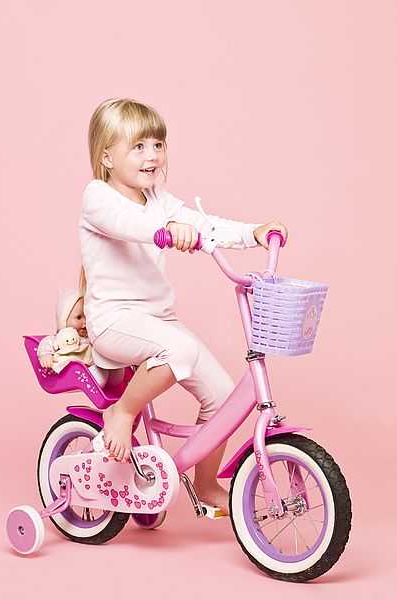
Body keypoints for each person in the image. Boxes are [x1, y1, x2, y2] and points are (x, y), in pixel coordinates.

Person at [79, 98, 288, 513]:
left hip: (157, 320)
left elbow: (204, 223)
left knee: (224, 395)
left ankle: (206, 484)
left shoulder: (157, 198)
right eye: (138, 146)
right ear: (106, 156)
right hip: (114, 321)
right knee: (181, 350)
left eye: (158, 144)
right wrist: (166, 230)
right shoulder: (97, 197)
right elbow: (128, 224)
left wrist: (254, 233)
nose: (152, 155)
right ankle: (121, 414)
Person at [37, 288, 123, 388]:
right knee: (100, 370)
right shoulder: (61, 337)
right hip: (73, 372)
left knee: (112, 362)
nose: (85, 322)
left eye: (87, 316)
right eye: (79, 317)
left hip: (92, 364)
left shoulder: (90, 337)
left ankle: (114, 379)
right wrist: (45, 354)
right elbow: (47, 342)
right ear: (64, 320)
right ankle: (95, 380)